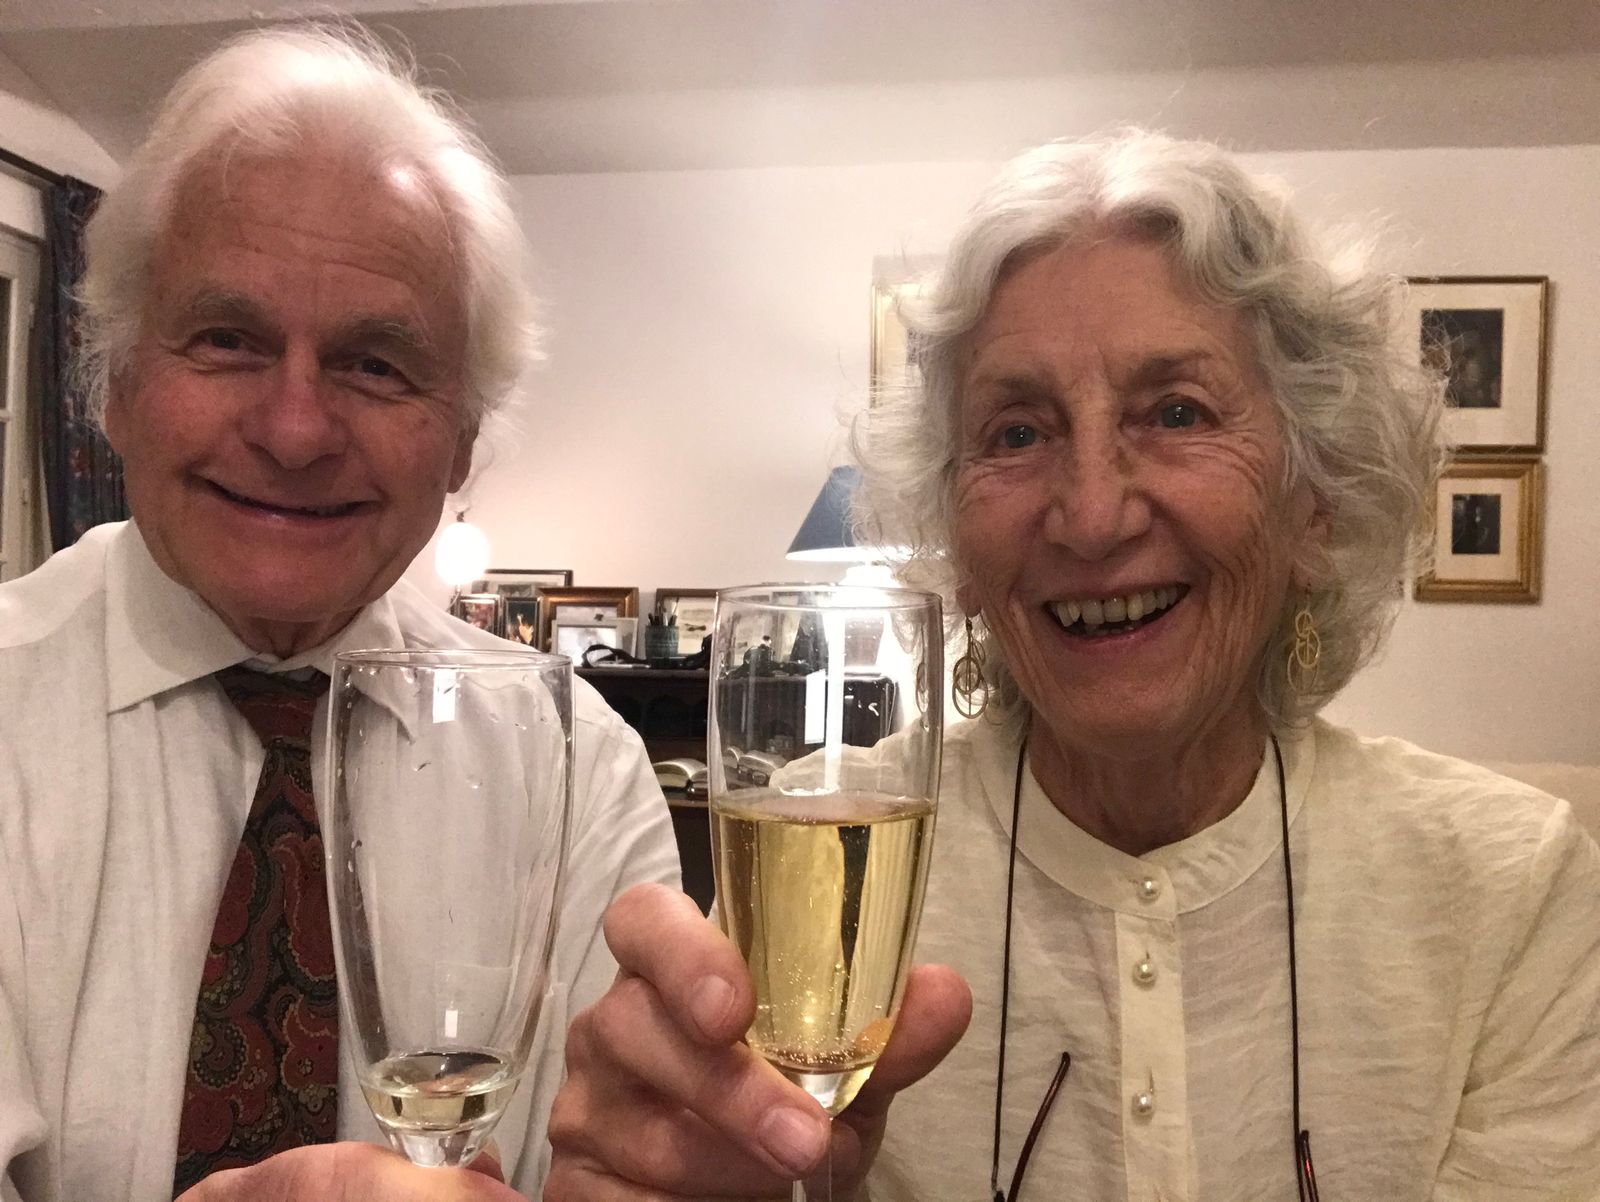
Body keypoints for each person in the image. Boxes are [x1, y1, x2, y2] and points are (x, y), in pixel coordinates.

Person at [544, 130, 1600, 1199]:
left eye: (1177, 412)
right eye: (1016, 433)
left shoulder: (1508, 891)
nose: (1092, 516)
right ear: (955, 538)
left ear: (1314, 500)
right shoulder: (826, 854)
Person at [0, 26, 678, 1202]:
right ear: (115, 383)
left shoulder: (581, 769)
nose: (296, 428)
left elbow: (625, 1159)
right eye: (227, 339)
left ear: (461, 440)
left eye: (375, 363)